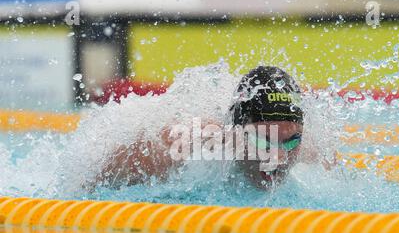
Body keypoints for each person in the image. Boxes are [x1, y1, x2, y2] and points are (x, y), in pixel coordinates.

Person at [95, 66, 330, 190]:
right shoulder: (184, 143)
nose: (279, 156)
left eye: (291, 141)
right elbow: (95, 185)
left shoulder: (313, 153)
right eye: (263, 141)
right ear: (235, 130)